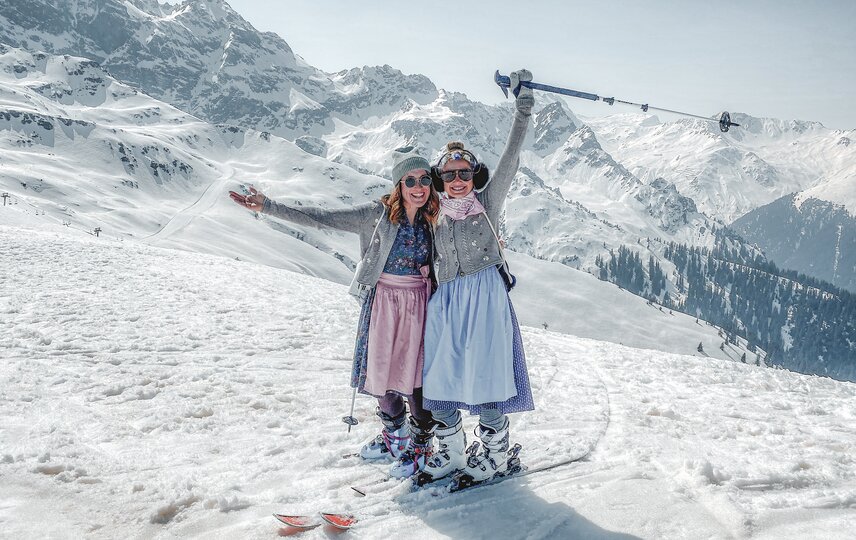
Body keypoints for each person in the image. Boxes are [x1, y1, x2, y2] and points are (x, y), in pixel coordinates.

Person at [228, 147, 439, 478]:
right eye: (409, 179)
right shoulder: (375, 214)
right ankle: (395, 433)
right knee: (377, 373)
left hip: (419, 304)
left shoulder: (433, 220)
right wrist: (268, 206)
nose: (418, 186)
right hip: (382, 301)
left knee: (413, 377)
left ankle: (420, 443)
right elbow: (321, 217)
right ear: (398, 184)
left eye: (424, 179)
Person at [420, 69, 535, 484]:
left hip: (485, 295)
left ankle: (495, 455)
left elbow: (511, 157)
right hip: (447, 298)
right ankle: (450, 450)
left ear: (475, 176)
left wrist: (523, 107)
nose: (456, 181)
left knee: (487, 375)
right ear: (439, 179)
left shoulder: (488, 201)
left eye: (463, 173)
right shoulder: (432, 211)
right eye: (448, 174)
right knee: (439, 373)